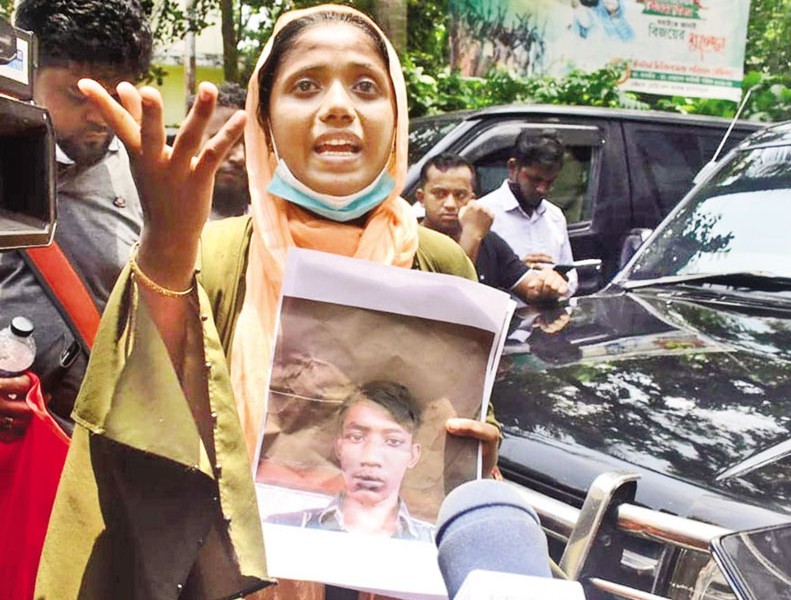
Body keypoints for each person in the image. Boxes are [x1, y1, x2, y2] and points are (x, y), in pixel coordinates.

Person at [37, 5, 501, 599]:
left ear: (396, 113)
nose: (338, 105)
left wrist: (477, 457)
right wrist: (167, 246)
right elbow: (142, 439)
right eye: (305, 85)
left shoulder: (441, 264)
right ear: (266, 118)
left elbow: (470, 436)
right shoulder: (210, 255)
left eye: (366, 86)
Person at [0, 0, 151, 438]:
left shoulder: (148, 174)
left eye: (117, 92)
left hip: (97, 449)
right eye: (78, 94)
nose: (100, 114)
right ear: (26, 72)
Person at [268, 381, 434, 541]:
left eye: (393, 442)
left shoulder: (436, 547)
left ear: (413, 455)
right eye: (356, 437)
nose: (371, 458)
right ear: (339, 447)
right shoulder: (279, 530)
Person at [418, 153, 568, 304]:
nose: (450, 204)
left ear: (472, 199)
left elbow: (530, 287)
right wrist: (471, 236)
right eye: (440, 194)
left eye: (460, 195)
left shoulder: (488, 241)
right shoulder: (408, 243)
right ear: (421, 198)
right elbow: (447, 304)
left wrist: (548, 284)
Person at [478, 130, 579, 298]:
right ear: (513, 168)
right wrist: (515, 274)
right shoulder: (484, 214)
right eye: (535, 180)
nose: (543, 189)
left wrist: (557, 280)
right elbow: (471, 283)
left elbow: (571, 277)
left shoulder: (555, 216)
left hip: (549, 319)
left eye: (550, 182)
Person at [189, 81, 251, 219]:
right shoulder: (160, 221)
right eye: (224, 141)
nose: (240, 157)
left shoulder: (269, 225)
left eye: (248, 145)